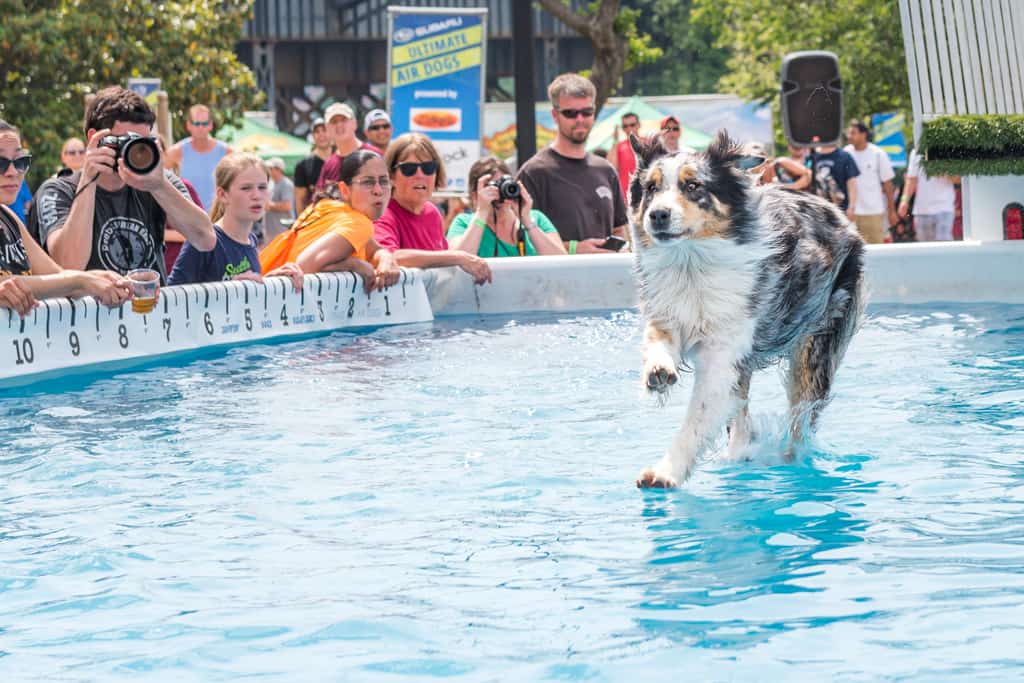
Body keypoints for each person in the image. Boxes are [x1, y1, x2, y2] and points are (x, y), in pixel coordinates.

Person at [31, 86, 216, 282]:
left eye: (142, 142)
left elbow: (205, 239)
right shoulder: (58, 190)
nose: (134, 150)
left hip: (148, 308)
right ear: (95, 137)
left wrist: (159, 186)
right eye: (123, 141)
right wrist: (89, 180)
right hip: (93, 311)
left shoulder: (158, 182)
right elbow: (68, 265)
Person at [0, 119, 131, 316]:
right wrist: (80, 281)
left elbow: (57, 276)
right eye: (0, 163)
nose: (12, 172)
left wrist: (97, 279)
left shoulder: (7, 217)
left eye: (20, 161)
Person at [517, 73, 628, 254]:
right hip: (555, 280)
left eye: (587, 112)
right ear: (555, 115)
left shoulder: (605, 170)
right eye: (570, 113)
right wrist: (575, 249)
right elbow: (520, 241)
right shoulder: (534, 172)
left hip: (606, 278)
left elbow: (619, 230)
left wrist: (622, 250)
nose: (579, 119)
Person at [260, 150, 399, 293]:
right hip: (283, 301)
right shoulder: (358, 222)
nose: (378, 190)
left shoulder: (326, 207)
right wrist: (354, 264)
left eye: (384, 181)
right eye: (368, 182)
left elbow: (372, 248)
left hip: (267, 296)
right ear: (344, 190)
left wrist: (386, 257)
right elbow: (304, 265)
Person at [169, 152, 302, 288]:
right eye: (246, 188)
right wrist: (230, 290)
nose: (257, 195)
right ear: (222, 194)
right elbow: (172, 298)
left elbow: (247, 293)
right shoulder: (204, 242)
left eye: (262, 187)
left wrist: (271, 280)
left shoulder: (251, 240)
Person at [374, 133, 491, 283]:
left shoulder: (432, 212)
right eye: (409, 169)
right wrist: (458, 257)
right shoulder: (382, 215)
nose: (420, 175)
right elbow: (390, 257)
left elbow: (441, 263)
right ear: (391, 176)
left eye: (428, 168)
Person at [447, 157, 565, 257]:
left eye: (504, 184)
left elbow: (561, 262)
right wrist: (482, 212)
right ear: (474, 194)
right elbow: (457, 263)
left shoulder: (536, 219)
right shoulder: (464, 223)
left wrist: (527, 221)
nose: (500, 191)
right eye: (493, 187)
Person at [166, 104, 232, 210]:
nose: (201, 127)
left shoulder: (226, 152)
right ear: (189, 125)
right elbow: (158, 177)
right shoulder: (176, 152)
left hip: (218, 217)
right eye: (196, 123)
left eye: (205, 123)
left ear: (211, 125)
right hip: (188, 218)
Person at [843, 118, 896, 244]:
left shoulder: (878, 154)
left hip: (873, 212)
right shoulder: (845, 153)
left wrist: (891, 211)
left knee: (876, 250)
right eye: (849, 133)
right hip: (850, 214)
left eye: (853, 133)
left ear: (863, 134)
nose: (849, 136)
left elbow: (888, 184)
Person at [315, 102, 381, 192]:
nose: (339, 125)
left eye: (344, 120)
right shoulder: (328, 165)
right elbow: (318, 200)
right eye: (334, 121)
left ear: (354, 123)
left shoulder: (375, 155)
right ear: (327, 128)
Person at [900, 149, 958, 241]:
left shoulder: (948, 149)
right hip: (922, 211)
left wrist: (943, 170)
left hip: (944, 209)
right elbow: (911, 179)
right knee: (926, 251)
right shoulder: (916, 151)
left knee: (944, 249)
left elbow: (958, 179)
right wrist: (904, 200)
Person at [810, 142, 860, 220]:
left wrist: (851, 207)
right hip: (817, 212)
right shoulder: (812, 156)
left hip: (841, 211)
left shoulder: (844, 156)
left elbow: (852, 183)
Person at [293, 117, 331, 212]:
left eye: (324, 130)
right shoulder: (303, 165)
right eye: (317, 132)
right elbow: (300, 200)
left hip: (340, 219)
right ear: (313, 136)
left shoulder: (341, 159)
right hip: (316, 220)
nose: (321, 134)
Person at [608, 111, 639, 200]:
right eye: (625, 126)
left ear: (638, 125)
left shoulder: (648, 143)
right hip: (626, 198)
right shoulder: (619, 146)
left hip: (645, 197)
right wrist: (615, 141)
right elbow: (611, 168)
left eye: (632, 125)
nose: (629, 128)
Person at [263, 157, 295, 245]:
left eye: (270, 168)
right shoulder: (272, 183)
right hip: (272, 230)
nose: (268, 170)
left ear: (278, 169)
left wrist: (268, 205)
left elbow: (287, 206)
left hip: (281, 231)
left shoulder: (286, 184)